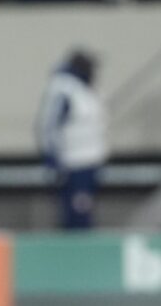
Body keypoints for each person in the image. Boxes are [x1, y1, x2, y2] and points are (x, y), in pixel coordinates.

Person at [35, 49, 108, 230]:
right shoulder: (65, 90)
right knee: (76, 214)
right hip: (74, 163)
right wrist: (52, 158)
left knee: (84, 212)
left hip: (89, 162)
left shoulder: (84, 90)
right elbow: (49, 126)